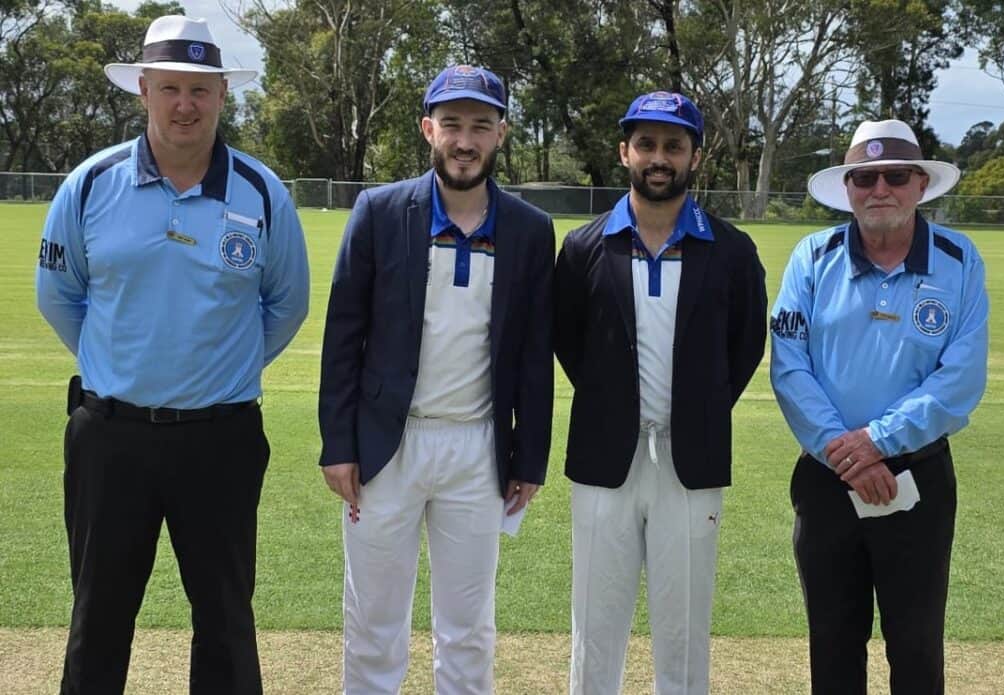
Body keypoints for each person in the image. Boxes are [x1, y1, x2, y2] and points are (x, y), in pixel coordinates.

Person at [35, 15, 310, 694]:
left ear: (222, 95)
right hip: (110, 436)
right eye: (171, 88)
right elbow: (60, 296)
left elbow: (286, 306)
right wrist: (118, 367)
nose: (185, 105)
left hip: (222, 438)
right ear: (145, 91)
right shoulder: (91, 184)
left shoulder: (262, 192)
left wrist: (220, 368)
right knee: (98, 614)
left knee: (224, 618)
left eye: (200, 89)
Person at [317, 64, 554, 693]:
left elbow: (535, 352)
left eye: (481, 125)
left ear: (501, 133)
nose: (465, 140)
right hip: (384, 447)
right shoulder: (380, 210)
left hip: (476, 448)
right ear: (429, 129)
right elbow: (343, 335)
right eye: (452, 124)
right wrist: (337, 444)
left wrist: (529, 455)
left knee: (469, 626)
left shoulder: (530, 230)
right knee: (373, 619)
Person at [554, 91, 767, 694]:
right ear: (625, 151)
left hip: (690, 461)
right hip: (603, 458)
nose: (659, 157)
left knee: (685, 626)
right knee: (595, 624)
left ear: (695, 156)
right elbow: (570, 343)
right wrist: (615, 406)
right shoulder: (584, 248)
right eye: (646, 144)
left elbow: (744, 346)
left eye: (674, 146)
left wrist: (696, 410)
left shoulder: (729, 251)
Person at [770, 119, 988, 694]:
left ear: (920, 184)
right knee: (833, 644)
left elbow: (960, 381)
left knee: (916, 646)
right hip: (824, 477)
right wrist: (849, 454)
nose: (879, 189)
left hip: (918, 478)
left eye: (894, 175)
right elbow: (790, 368)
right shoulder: (812, 258)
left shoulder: (958, 260)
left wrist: (878, 442)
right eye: (864, 178)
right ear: (849, 188)